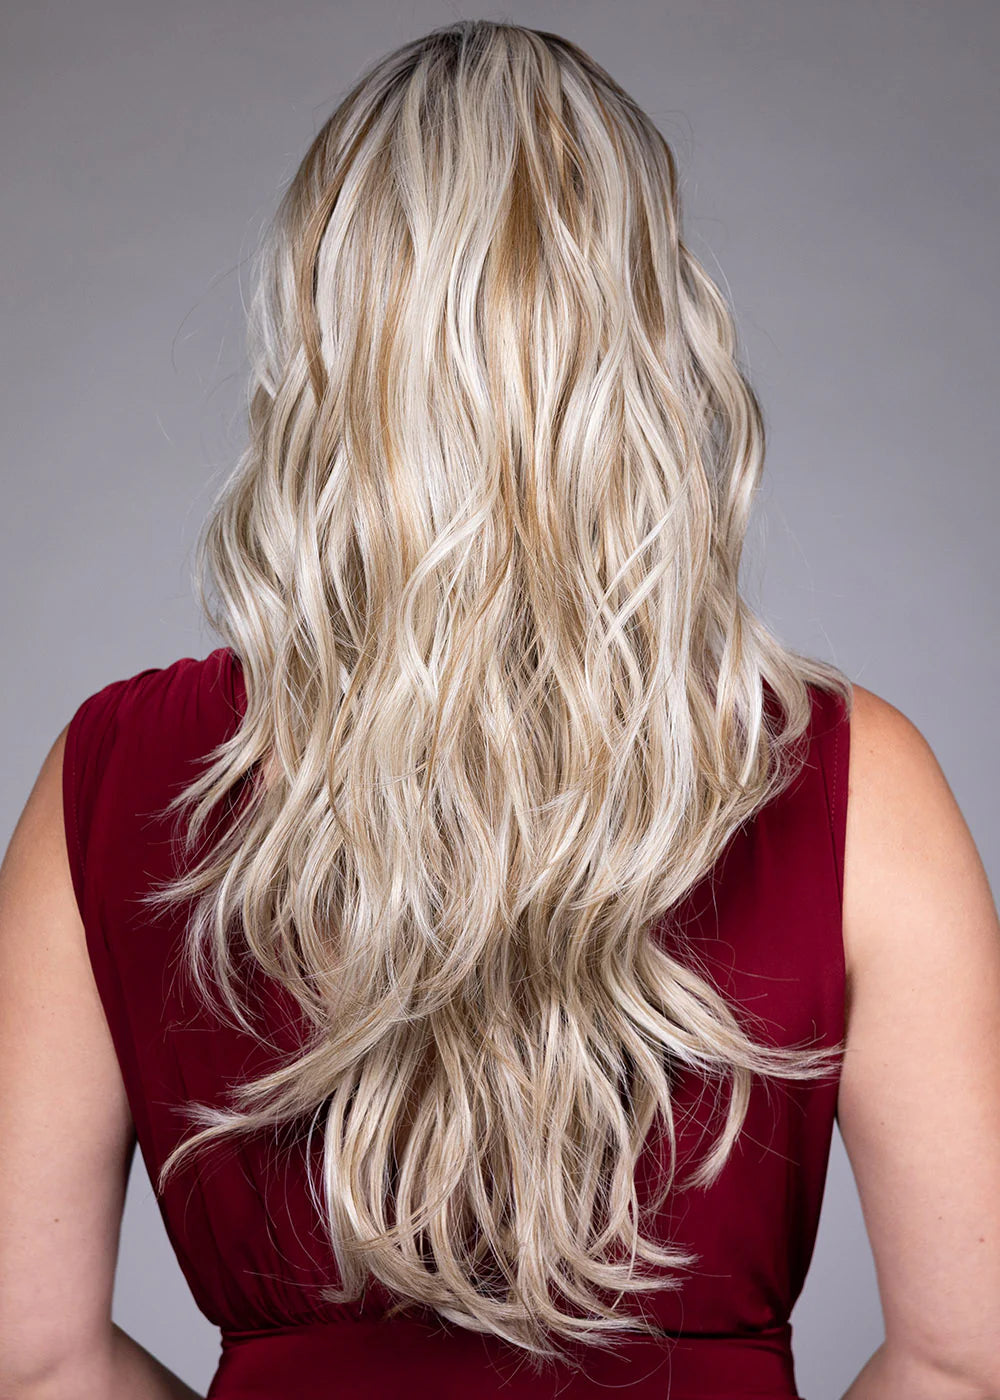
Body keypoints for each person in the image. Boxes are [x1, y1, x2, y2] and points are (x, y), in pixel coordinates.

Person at [1, 19, 998, 1400]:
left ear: (324, 339)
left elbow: (35, 1356)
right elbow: (965, 1357)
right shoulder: (853, 779)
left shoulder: (116, 775)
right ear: (655, 338)